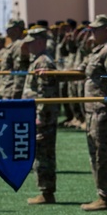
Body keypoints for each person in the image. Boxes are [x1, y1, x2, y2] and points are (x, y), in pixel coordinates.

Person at [79, 14, 107, 211]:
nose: (92, 33)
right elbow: (82, 71)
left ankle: (106, 197)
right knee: (96, 153)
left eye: (96, 29)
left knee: (105, 155)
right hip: (93, 111)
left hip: (103, 112)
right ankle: (102, 193)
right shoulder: (97, 51)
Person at [22, 26, 62, 205]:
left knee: (44, 155)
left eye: (31, 42)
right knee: (41, 153)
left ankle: (46, 192)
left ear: (40, 42)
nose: (28, 46)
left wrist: (40, 115)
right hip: (39, 115)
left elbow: (45, 93)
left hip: (43, 117)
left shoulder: (43, 62)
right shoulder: (37, 60)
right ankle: (45, 191)